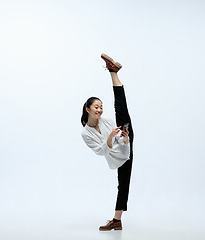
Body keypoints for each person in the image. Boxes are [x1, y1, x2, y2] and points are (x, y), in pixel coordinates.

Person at [81, 53, 134, 231]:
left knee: (120, 107)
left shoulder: (106, 122)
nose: (100, 110)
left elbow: (117, 134)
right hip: (117, 155)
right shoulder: (86, 133)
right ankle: (117, 221)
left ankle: (113, 72)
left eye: (101, 107)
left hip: (124, 143)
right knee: (123, 184)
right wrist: (111, 138)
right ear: (88, 110)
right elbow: (100, 151)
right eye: (97, 107)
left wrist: (124, 138)